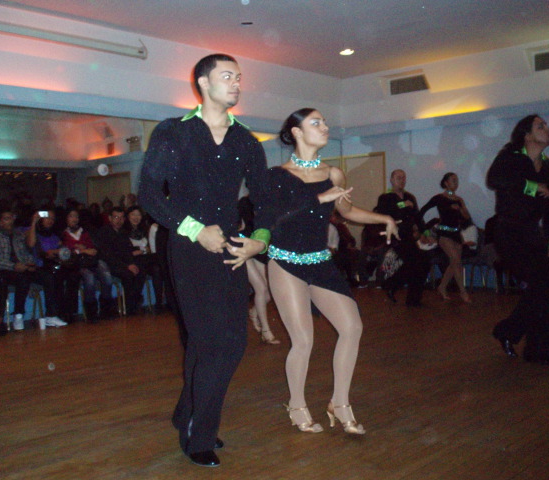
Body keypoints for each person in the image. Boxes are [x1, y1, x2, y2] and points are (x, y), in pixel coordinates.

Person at [138, 53, 270, 468]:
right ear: (202, 82)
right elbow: (150, 195)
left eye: (239, 77)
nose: (236, 83)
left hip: (231, 248)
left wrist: (259, 240)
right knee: (212, 341)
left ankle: (187, 413)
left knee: (229, 342)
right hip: (188, 246)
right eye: (227, 76)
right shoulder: (173, 132)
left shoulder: (246, 140)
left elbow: (265, 200)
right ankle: (199, 435)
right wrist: (195, 229)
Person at [267, 107, 398, 436]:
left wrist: (383, 218)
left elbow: (347, 210)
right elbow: (276, 218)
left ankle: (339, 403)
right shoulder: (277, 175)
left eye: (324, 122)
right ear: (297, 132)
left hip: (319, 261)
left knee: (352, 327)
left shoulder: (334, 174)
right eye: (316, 123)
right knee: (303, 340)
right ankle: (296, 404)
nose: (324, 127)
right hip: (285, 261)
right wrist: (319, 197)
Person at [487, 114, 549, 365]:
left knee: (545, 289)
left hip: (533, 233)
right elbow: (495, 179)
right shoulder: (511, 157)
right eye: (541, 126)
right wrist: (532, 187)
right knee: (540, 287)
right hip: (508, 231)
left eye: (546, 124)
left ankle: (536, 349)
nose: (547, 128)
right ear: (527, 135)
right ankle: (512, 334)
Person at [375, 169, 434, 305]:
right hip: (394, 236)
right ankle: (397, 289)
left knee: (423, 262)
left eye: (403, 178)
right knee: (415, 262)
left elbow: (418, 217)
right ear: (391, 180)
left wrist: (426, 234)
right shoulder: (385, 197)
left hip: (408, 236)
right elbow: (383, 213)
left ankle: (398, 289)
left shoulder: (410, 197)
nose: (401, 180)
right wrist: (402, 205)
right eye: (398, 177)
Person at [418, 172, 472, 303]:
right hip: (443, 234)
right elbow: (421, 212)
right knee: (456, 261)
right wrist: (425, 232)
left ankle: (442, 287)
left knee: (454, 263)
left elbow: (467, 217)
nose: (455, 182)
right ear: (446, 183)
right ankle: (463, 292)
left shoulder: (459, 200)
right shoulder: (439, 198)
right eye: (453, 180)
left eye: (457, 180)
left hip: (456, 234)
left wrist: (460, 209)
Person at [238, 195, 280, 345]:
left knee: (271, 290)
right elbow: (239, 226)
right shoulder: (245, 202)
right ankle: (266, 331)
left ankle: (254, 311)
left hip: (263, 250)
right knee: (261, 288)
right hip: (247, 248)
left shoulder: (273, 200)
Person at [61, 208, 115, 322]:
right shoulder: (63, 234)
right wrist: (83, 250)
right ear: (66, 218)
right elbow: (66, 251)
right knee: (89, 279)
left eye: (76, 216)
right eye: (71, 216)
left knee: (107, 276)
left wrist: (82, 249)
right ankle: (91, 312)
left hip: (92, 259)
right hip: (77, 263)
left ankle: (106, 309)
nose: (74, 219)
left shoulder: (85, 231)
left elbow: (93, 247)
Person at [95, 207, 146, 316]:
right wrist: (127, 265)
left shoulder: (123, 232)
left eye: (122, 218)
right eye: (116, 217)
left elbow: (127, 251)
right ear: (110, 218)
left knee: (140, 271)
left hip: (123, 263)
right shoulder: (104, 232)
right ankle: (128, 306)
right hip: (109, 264)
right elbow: (108, 255)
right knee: (128, 275)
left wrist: (131, 263)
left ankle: (133, 302)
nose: (119, 220)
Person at [124, 206, 165, 312]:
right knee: (143, 267)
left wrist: (142, 250)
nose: (136, 217)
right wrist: (141, 250)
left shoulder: (146, 229)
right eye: (133, 214)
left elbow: (151, 248)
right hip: (132, 260)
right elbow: (126, 251)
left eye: (138, 215)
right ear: (128, 216)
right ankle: (134, 302)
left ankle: (159, 302)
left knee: (157, 268)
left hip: (147, 258)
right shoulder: (124, 231)